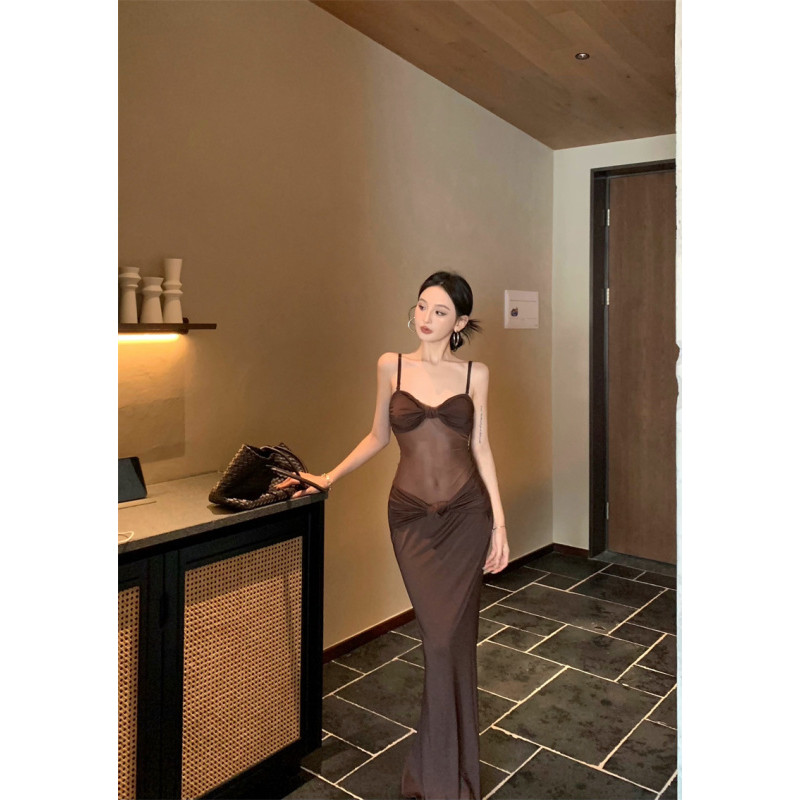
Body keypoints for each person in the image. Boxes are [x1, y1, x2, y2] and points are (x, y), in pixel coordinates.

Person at [277, 271, 509, 799]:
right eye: (422, 306)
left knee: (453, 644)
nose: (426, 318)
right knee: (440, 642)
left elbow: (481, 447)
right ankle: (444, 774)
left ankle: (444, 776)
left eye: (440, 311)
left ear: (460, 322)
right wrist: (329, 476)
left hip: (467, 517)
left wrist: (499, 524)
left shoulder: (475, 375)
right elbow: (378, 435)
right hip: (411, 521)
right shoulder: (391, 365)